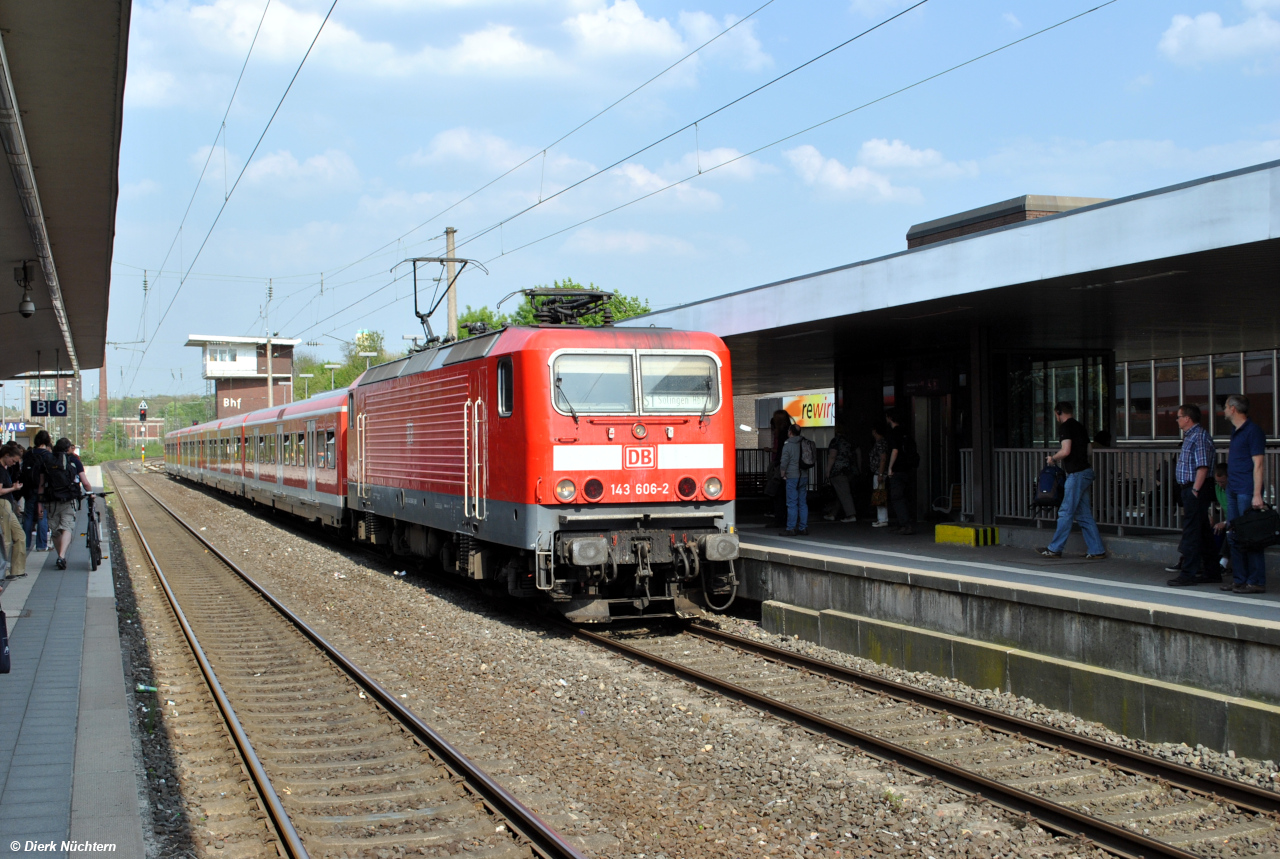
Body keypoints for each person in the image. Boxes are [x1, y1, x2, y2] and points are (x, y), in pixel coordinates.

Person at [1036, 402, 1107, 559]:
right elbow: (1089, 450)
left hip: (1076, 474)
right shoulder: (1080, 426)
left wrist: (1052, 458)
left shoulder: (1066, 427)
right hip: (1086, 472)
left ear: (1059, 413)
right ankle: (1097, 550)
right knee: (1084, 515)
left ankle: (1055, 549)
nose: (1056, 418)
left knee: (1065, 512)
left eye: (1056, 414)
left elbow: (1066, 450)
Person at [1168, 404, 1219, 586]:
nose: (1177, 420)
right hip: (1190, 488)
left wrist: (1195, 490)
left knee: (1192, 531)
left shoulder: (1199, 436)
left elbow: (1203, 466)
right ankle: (1212, 571)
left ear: (1187, 418)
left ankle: (1188, 573)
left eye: (1179, 416)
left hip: (1195, 488)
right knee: (1203, 530)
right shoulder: (1192, 436)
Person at [1222, 394, 1266, 594]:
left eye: (1225, 406)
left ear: (1233, 408)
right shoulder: (1236, 431)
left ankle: (1255, 580)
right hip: (1234, 488)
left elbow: (1258, 463)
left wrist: (1257, 494)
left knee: (1250, 535)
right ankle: (1239, 579)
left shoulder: (1252, 431)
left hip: (1246, 490)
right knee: (1234, 534)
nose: (1223, 410)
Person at [45, 438, 88, 571]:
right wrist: (90, 492)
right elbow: (84, 482)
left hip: (51, 500)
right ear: (68, 449)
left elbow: (42, 483)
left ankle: (60, 556)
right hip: (68, 499)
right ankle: (62, 556)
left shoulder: (48, 460)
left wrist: (40, 502)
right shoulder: (74, 461)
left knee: (55, 530)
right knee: (67, 527)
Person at [20, 430, 53, 552]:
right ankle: (41, 545)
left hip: (28, 489)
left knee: (28, 516)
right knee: (42, 516)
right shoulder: (48, 455)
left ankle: (25, 544)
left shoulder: (28, 454)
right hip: (42, 489)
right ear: (47, 441)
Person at [884, 411, 916, 535]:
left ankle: (904, 524)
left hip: (897, 469)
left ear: (890, 418)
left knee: (896, 497)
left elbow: (895, 451)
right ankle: (902, 523)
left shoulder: (893, 433)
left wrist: (890, 467)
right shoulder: (906, 432)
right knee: (904, 496)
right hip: (907, 468)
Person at [778, 423, 809, 537]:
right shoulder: (804, 442)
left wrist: (782, 474)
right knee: (803, 502)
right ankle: (803, 527)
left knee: (792, 503)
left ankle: (791, 528)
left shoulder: (788, 445)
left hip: (792, 476)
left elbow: (784, 461)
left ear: (790, 432)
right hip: (804, 475)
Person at [823, 424, 858, 522]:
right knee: (842, 492)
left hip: (838, 470)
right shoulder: (849, 441)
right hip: (849, 469)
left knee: (844, 493)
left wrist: (828, 470)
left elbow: (832, 456)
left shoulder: (836, 441)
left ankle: (851, 515)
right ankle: (833, 513)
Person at [0, 443, 25, 580]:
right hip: (3, 504)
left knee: (19, 535)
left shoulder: (5, 469)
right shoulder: (0, 470)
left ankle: (17, 569)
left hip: (7, 504)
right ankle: (4, 570)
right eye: (13, 461)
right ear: (6, 455)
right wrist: (14, 489)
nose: (13, 464)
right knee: (6, 538)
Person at [769, 409, 792, 526]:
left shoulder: (782, 433)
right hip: (792, 467)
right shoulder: (791, 430)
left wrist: (777, 465)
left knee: (778, 493)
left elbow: (781, 452)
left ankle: (780, 518)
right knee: (789, 494)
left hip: (782, 466)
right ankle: (789, 519)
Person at [870, 422, 890, 527]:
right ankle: (881, 518)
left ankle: (882, 519)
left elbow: (883, 458)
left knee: (879, 494)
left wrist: (880, 473)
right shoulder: (882, 442)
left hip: (879, 472)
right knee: (879, 493)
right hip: (879, 472)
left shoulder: (880, 443)